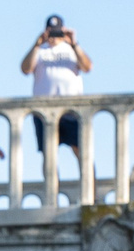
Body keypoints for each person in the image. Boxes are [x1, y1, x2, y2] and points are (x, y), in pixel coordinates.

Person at [20, 16, 91, 161]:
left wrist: (74, 43)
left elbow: (87, 66)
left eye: (57, 32)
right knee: (49, 154)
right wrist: (37, 44)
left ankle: (91, 183)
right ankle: (52, 184)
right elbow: (25, 69)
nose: (53, 36)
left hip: (72, 109)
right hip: (44, 110)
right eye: (51, 32)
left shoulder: (72, 49)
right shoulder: (39, 50)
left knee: (81, 150)